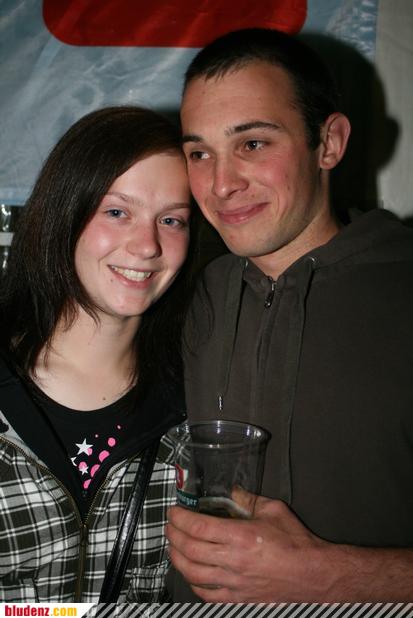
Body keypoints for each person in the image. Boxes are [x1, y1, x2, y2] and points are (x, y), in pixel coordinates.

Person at [165, 28, 413, 602]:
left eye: (252, 143)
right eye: (199, 153)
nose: (221, 184)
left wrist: (329, 576)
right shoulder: (187, 295)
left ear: (328, 143)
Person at [0, 106, 195, 602]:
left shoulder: (195, 409)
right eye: (117, 212)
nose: (147, 245)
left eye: (171, 220)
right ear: (65, 212)